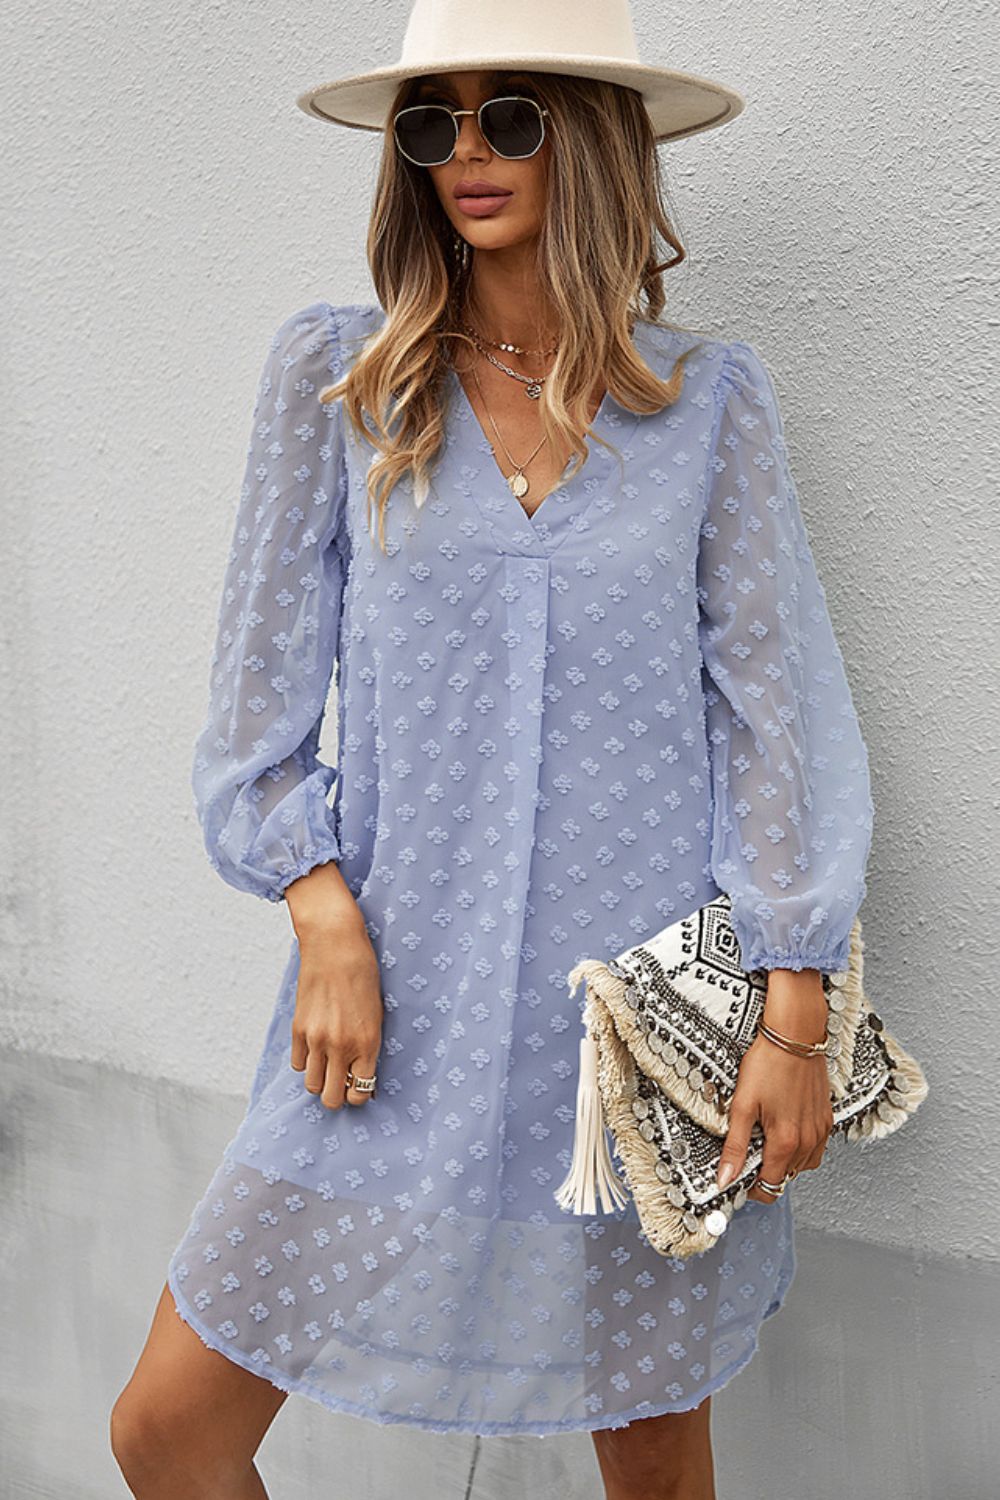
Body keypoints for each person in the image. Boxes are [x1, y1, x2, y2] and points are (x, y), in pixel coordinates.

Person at [110, 3, 873, 1497]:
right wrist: (321, 915)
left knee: (653, 1461)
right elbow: (256, 714)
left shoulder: (708, 406)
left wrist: (793, 1014)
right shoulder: (344, 384)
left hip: (631, 1040)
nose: (465, 150)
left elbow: (777, 723)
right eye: (431, 120)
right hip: (388, 1021)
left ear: (590, 138)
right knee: (169, 1427)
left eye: (508, 113)